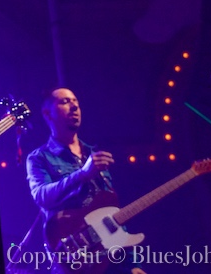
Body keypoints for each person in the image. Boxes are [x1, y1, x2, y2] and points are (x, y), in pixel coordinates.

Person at [25, 88, 146, 274]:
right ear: (47, 114)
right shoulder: (39, 158)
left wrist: (133, 264)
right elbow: (42, 197)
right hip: (73, 259)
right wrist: (83, 174)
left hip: (111, 259)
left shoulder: (94, 154)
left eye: (76, 102)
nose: (74, 106)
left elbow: (113, 213)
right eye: (65, 102)